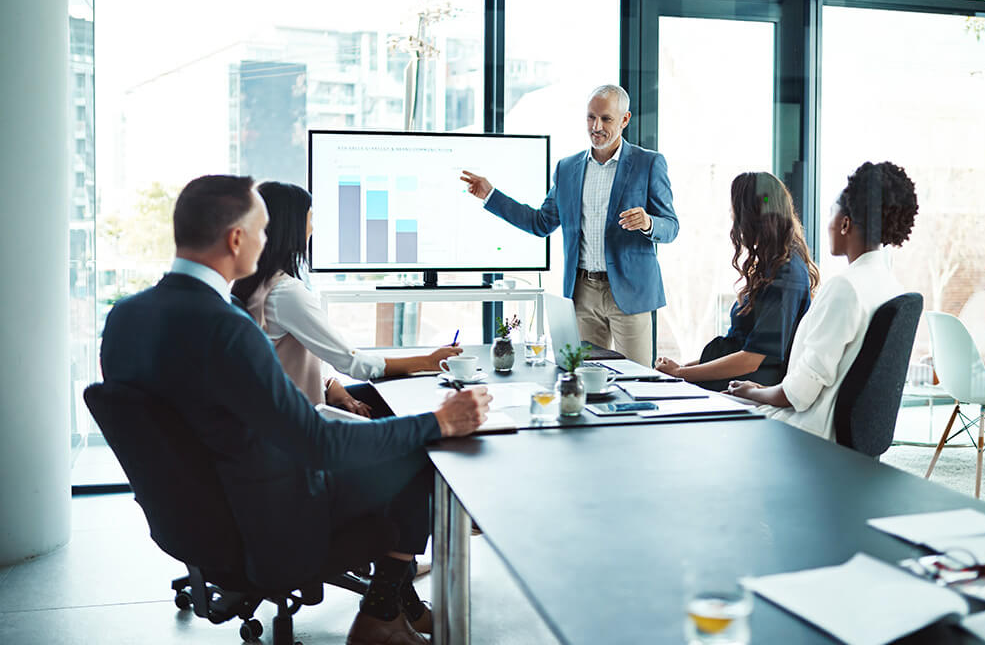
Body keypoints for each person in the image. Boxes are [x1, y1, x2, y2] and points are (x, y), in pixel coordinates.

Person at [100, 175, 491, 645]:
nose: (267, 242)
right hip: (269, 517)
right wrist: (438, 421)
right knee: (423, 457)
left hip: (196, 517)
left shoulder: (124, 316)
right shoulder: (227, 329)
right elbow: (318, 443)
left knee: (392, 442)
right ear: (236, 238)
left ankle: (395, 605)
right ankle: (381, 615)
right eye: (262, 231)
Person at [461, 84, 678, 366]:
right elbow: (541, 223)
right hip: (582, 293)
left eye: (606, 119)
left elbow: (671, 226)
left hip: (630, 293)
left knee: (636, 380)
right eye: (591, 117)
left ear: (625, 120)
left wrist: (649, 222)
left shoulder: (648, 164)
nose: (596, 126)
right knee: (584, 378)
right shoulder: (567, 168)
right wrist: (491, 194)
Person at [231, 181, 461, 418]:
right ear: (293, 227)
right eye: (310, 219)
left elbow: (282, 362)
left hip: (282, 412)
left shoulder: (254, 285)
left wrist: (330, 384)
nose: (313, 228)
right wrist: (429, 362)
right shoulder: (286, 293)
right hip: (302, 425)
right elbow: (354, 364)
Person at [726, 161, 918, 440]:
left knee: (708, 414)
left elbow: (798, 394)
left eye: (831, 213)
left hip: (806, 433)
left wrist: (753, 392)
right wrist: (756, 392)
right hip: (834, 433)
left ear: (844, 223)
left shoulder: (846, 288)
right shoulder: (890, 285)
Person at [653, 172, 819, 392]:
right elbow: (739, 347)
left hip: (747, 386)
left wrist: (681, 374)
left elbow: (751, 359)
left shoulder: (786, 274)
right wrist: (680, 369)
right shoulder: (773, 265)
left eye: (736, 212)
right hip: (735, 380)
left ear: (751, 217)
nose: (733, 219)